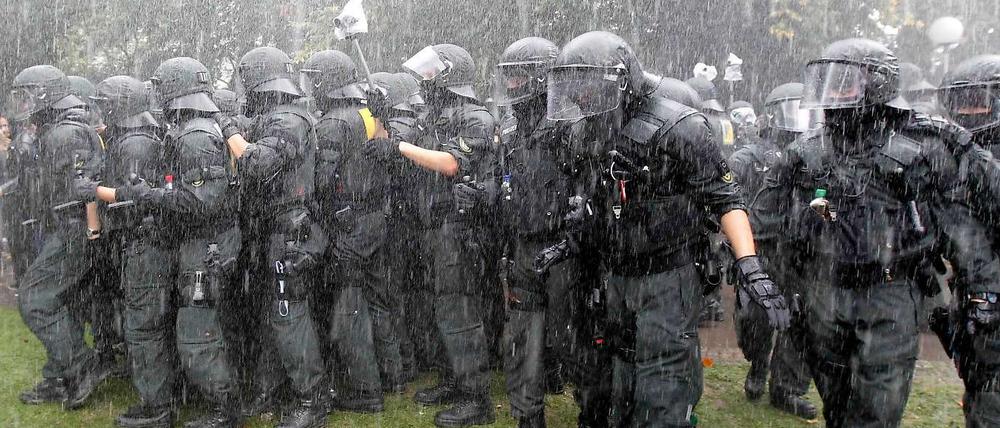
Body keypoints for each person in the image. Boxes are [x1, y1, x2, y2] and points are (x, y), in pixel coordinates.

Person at [543, 31, 789, 427]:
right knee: (623, 376)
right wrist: (571, 242)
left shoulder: (680, 126)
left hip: (667, 275)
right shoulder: (590, 128)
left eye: (585, 82)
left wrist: (750, 265)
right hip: (618, 275)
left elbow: (726, 198)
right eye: (572, 83)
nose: (578, 94)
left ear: (618, 79)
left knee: (664, 379)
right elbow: (601, 202)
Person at [765, 38, 998, 427]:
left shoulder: (930, 145)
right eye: (826, 81)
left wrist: (982, 291)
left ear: (878, 83)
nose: (832, 93)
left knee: (877, 410)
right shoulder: (808, 150)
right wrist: (781, 283)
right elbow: (777, 223)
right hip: (826, 291)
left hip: (890, 292)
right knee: (836, 405)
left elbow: (963, 227)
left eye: (844, 82)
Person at [367, 43, 498, 427]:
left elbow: (450, 162)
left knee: (460, 312)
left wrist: (399, 146)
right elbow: (410, 145)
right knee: (440, 308)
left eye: (431, 73)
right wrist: (383, 112)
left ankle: (476, 399)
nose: (425, 81)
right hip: (432, 226)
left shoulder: (476, 117)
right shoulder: (436, 115)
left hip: (459, 228)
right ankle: (452, 380)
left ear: (450, 76)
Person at [214, 46, 329, 428]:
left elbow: (258, 164)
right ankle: (271, 389)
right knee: (272, 313)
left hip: (288, 232)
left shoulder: (288, 120)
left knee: (288, 314)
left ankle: (311, 401)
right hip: (272, 230)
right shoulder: (277, 116)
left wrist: (227, 127)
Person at [73, 75, 175, 428]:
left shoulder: (135, 143)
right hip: (146, 241)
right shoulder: (140, 135)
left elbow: (133, 197)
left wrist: (92, 189)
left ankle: (156, 407)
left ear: (119, 105)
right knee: (146, 322)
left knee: (144, 326)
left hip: (145, 243)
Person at [300, 49, 397, 413]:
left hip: (349, 226)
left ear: (327, 82)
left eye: (315, 78)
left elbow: (320, 182)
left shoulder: (331, 124)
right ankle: (392, 375)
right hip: (374, 219)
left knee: (349, 310)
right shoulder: (367, 114)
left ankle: (364, 390)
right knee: (377, 303)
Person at [9, 64, 110, 410]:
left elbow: (80, 192)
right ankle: (58, 375)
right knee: (59, 300)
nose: (22, 105)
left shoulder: (63, 133)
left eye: (27, 96)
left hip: (73, 230)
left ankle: (82, 365)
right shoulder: (60, 127)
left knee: (36, 299)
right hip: (68, 228)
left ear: (45, 95)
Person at [728, 82, 816, 419]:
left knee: (800, 321)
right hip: (761, 247)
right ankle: (758, 365)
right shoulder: (748, 157)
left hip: (805, 249)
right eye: (788, 109)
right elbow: (729, 201)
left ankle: (786, 388)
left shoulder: (819, 153)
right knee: (756, 317)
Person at [937, 54, 1000, 428]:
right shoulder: (961, 154)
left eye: (977, 99)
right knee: (977, 383)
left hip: (989, 289)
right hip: (973, 295)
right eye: (961, 101)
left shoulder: (973, 156)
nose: (967, 111)